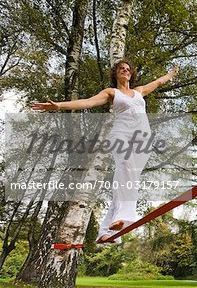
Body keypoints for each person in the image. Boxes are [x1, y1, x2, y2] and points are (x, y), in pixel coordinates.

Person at [32, 60, 179, 243]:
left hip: (143, 140)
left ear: (131, 74)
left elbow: (158, 82)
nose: (125, 71)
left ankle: (105, 231)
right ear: (116, 74)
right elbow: (88, 102)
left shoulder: (139, 91)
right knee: (125, 166)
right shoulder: (112, 93)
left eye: (127, 69)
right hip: (121, 135)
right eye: (121, 69)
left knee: (128, 179)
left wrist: (171, 74)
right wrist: (59, 106)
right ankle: (124, 218)